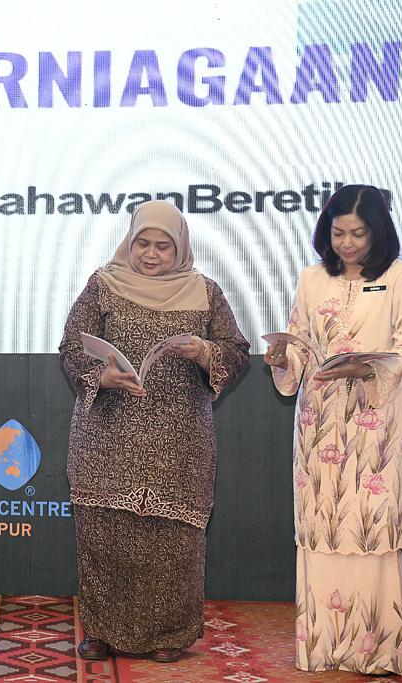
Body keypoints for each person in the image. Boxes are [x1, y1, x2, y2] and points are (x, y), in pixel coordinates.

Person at [59, 200, 248, 663]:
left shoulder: (204, 292)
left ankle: (169, 634)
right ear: (130, 240)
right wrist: (100, 376)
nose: (150, 254)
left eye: (163, 246)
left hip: (179, 436)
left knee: (172, 538)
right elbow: (71, 347)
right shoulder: (103, 284)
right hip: (108, 432)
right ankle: (101, 630)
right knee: (106, 532)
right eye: (142, 243)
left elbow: (236, 351)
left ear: (180, 246)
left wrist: (205, 352)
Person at [263, 185, 402, 676]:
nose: (347, 243)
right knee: (323, 525)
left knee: (370, 524)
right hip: (320, 419)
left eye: (358, 234)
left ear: (379, 232)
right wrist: (281, 356)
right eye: (338, 233)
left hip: (376, 422)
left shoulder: (401, 276)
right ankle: (324, 647)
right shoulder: (312, 278)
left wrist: (366, 367)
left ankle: (378, 651)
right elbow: (300, 346)